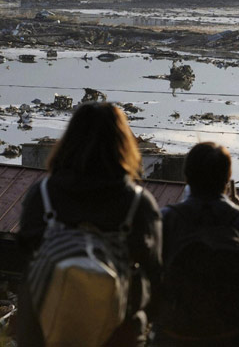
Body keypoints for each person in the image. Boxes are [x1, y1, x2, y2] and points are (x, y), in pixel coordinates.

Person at [17, 102, 163, 346]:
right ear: (123, 142)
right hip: (118, 335)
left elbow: (26, 261)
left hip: (43, 331)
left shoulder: (42, 195)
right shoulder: (138, 203)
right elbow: (157, 279)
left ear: (69, 139)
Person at [155, 142, 239, 347]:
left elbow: (145, 282)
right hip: (233, 338)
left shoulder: (165, 221)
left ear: (187, 176)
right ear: (227, 179)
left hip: (173, 337)